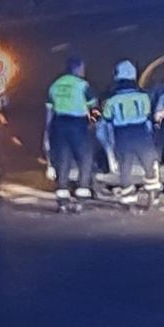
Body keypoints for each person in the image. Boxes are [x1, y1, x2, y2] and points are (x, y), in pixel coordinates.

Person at [102, 60, 161, 205]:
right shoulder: (143, 96)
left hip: (122, 136)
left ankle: (129, 200)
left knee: (125, 167)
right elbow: (148, 115)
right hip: (141, 134)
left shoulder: (112, 99)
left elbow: (107, 118)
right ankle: (152, 194)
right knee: (149, 164)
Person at [46, 56, 99, 213]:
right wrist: (94, 123)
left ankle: (62, 201)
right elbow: (94, 108)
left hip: (58, 125)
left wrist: (47, 132)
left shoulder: (55, 86)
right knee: (85, 160)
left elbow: (49, 112)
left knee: (63, 162)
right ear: (77, 68)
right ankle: (80, 198)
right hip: (78, 125)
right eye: (82, 68)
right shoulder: (83, 85)